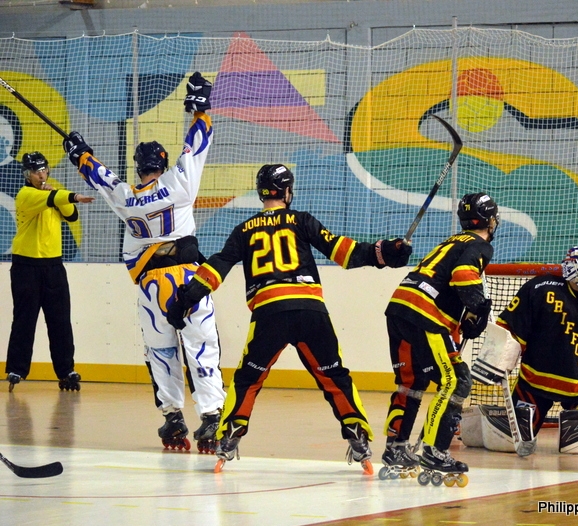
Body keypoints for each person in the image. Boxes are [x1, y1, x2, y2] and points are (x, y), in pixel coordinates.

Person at [166, 163, 412, 474]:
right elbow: (342, 251)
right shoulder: (302, 220)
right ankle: (357, 434)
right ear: (287, 191)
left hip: (268, 312)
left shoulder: (243, 230)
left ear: (261, 192)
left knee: (248, 380)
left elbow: (216, 267)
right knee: (335, 377)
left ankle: (229, 437)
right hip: (311, 311)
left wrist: (185, 300)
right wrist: (384, 252)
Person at [61, 72, 226, 453]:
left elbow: (101, 178)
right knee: (202, 348)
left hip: (152, 289)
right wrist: (201, 108)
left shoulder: (125, 199)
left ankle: (172, 420)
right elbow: (197, 145)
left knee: (161, 352)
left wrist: (79, 153)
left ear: (137, 167)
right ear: (163, 162)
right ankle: (212, 418)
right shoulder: (179, 183)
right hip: (189, 279)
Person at [381, 192, 498, 479]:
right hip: (425, 314)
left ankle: (396, 447)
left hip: (399, 307)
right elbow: (463, 275)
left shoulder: (450, 241)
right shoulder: (479, 244)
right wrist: (478, 309)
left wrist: (468, 315)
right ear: (491, 221)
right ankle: (435, 450)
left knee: (410, 382)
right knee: (456, 380)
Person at [494, 243, 578, 446]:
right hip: (534, 384)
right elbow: (510, 330)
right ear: (573, 267)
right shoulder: (541, 288)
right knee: (507, 443)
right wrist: (498, 360)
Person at [5, 152, 94, 392]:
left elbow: (72, 216)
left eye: (44, 170)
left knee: (60, 321)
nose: (42, 174)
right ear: (27, 175)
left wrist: (63, 198)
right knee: (25, 319)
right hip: (26, 266)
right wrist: (74, 196)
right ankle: (17, 368)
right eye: (36, 171)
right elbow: (59, 200)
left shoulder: (52, 194)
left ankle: (66, 371)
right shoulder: (26, 195)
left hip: (54, 266)